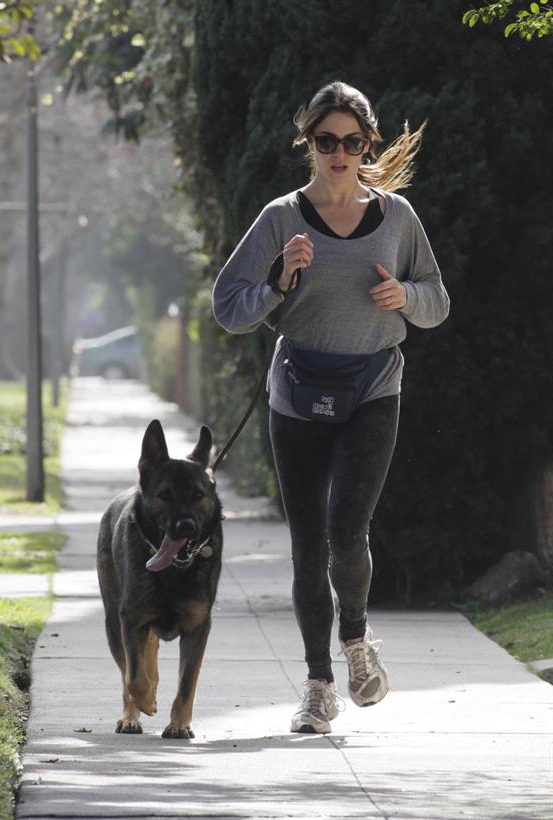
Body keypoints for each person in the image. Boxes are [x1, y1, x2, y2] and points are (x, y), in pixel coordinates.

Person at [212, 81, 449, 734]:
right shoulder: (280, 219)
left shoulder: (397, 218)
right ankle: (318, 688)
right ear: (307, 144)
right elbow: (229, 307)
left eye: (351, 142)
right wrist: (278, 281)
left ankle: (355, 640)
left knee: (347, 531)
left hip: (374, 387)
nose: (339, 153)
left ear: (366, 144)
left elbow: (438, 298)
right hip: (297, 393)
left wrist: (406, 295)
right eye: (326, 141)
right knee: (308, 543)